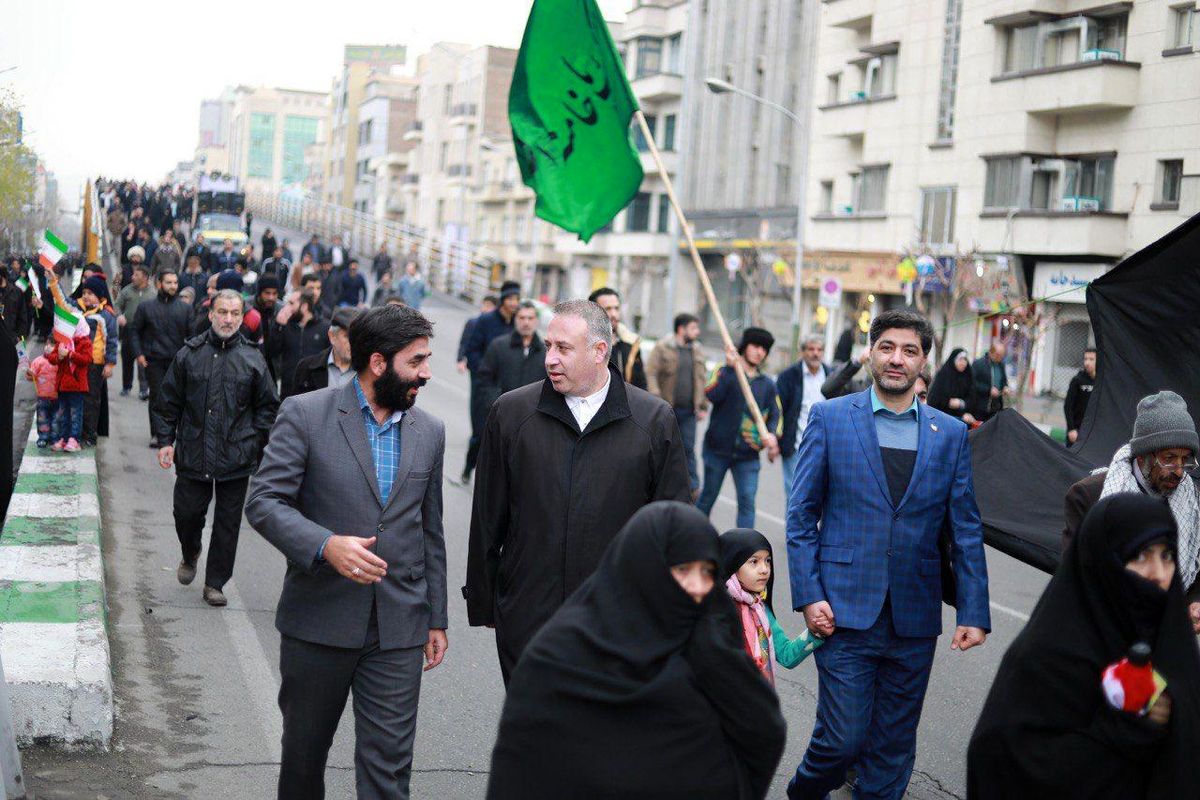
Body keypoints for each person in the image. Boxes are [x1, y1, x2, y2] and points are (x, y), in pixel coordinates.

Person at [785, 309, 991, 800]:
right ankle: (804, 791)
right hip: (842, 610)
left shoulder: (950, 435)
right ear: (871, 352)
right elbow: (800, 518)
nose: (897, 359)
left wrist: (973, 610)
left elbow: (964, 528)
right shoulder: (831, 418)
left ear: (925, 363)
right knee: (842, 738)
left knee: (893, 747)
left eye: (910, 350)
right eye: (887, 347)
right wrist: (809, 595)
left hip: (914, 618)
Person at [245, 304, 447, 800]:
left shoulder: (431, 432)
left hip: (398, 627)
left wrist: (436, 617)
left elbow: (430, 530)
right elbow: (264, 502)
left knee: (389, 770)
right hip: (319, 621)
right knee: (303, 762)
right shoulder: (306, 414)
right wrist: (325, 545)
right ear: (379, 363)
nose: (426, 372)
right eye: (416, 361)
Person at [487, 502, 786, 800]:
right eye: (682, 570)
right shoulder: (556, 658)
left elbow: (763, 731)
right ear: (639, 567)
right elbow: (519, 772)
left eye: (707, 572)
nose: (697, 587)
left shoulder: (711, 646)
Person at [464, 299, 692, 683]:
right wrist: (487, 603)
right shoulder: (511, 414)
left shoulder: (653, 421)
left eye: (563, 348)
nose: (550, 358)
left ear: (600, 351)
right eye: (548, 346)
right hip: (528, 613)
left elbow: (676, 528)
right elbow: (488, 518)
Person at [967, 494, 1200, 799]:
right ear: (1104, 561)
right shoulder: (1049, 657)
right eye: (1141, 555)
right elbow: (1002, 762)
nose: (1158, 573)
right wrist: (1126, 731)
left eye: (1166, 555)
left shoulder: (1171, 643)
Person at [155, 290, 279, 606]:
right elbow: (168, 401)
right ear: (211, 313)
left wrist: (257, 444)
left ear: (242, 317)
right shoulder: (189, 354)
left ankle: (215, 583)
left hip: (236, 456)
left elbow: (267, 407)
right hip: (194, 451)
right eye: (222, 312)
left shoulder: (253, 358)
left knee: (227, 523)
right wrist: (166, 440)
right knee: (186, 513)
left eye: (234, 313)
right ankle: (190, 550)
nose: (227, 319)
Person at [1062, 390, 1200, 632]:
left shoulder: (1192, 501)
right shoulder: (1089, 496)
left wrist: (1194, 602)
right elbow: (1075, 579)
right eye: (1169, 458)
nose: (1179, 471)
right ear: (1144, 455)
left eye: (1185, 459)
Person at [695, 328, 782, 529]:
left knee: (747, 504)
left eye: (764, 349)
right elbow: (711, 394)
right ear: (744, 347)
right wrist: (728, 369)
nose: (760, 352)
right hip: (717, 450)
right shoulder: (724, 371)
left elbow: (776, 414)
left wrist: (772, 435)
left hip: (748, 456)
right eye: (755, 346)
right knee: (707, 497)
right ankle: (692, 542)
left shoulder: (767, 384)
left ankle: (745, 552)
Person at [721, 527, 822, 684]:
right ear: (732, 564)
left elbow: (786, 655)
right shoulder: (715, 611)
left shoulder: (760, 611)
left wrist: (816, 632)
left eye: (767, 561)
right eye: (754, 562)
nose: (764, 569)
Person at [459, 282, 520, 484]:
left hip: (508, 385)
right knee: (481, 430)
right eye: (511, 299)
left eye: (517, 299)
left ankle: (490, 478)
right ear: (503, 299)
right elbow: (471, 349)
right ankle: (469, 466)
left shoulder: (518, 324)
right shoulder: (485, 321)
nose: (514, 303)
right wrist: (482, 370)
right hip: (484, 383)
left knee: (502, 433)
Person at [646, 313, 708, 498]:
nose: (697, 332)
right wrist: (655, 396)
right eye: (693, 328)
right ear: (681, 329)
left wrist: (702, 405)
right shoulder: (662, 347)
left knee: (688, 448)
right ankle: (661, 485)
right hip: (667, 409)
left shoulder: (697, 350)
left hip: (689, 411)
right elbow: (651, 373)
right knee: (664, 447)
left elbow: (701, 379)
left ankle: (692, 488)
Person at [131, 269, 193, 446]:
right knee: (157, 398)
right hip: (154, 360)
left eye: (175, 282)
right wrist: (139, 354)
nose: (173, 286)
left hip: (178, 361)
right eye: (169, 282)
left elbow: (192, 336)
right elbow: (134, 331)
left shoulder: (185, 309)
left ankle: (174, 433)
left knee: (178, 398)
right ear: (159, 284)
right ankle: (157, 434)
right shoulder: (146, 307)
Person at [778, 335, 832, 498]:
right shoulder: (789, 376)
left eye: (819, 350)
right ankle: (792, 525)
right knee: (795, 494)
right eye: (811, 349)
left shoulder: (831, 376)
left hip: (824, 447)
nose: (815, 353)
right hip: (795, 445)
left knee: (819, 495)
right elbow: (778, 409)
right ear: (802, 352)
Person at [477, 301, 546, 410]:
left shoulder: (545, 352)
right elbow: (484, 378)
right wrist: (494, 403)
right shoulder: (499, 346)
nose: (526, 322)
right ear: (515, 319)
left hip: (533, 417)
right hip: (502, 412)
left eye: (530, 318)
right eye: (522, 318)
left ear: (536, 320)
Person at [270, 288, 331, 399]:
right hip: (289, 391)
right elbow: (273, 352)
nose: (287, 307)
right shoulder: (285, 325)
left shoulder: (324, 327)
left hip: (315, 393)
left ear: (304, 306)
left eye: (291, 303)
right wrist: (278, 327)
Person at [46, 319, 92, 452]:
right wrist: (58, 357)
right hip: (63, 385)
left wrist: (70, 354)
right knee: (63, 413)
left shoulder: (85, 342)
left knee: (75, 413)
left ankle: (74, 439)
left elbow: (86, 360)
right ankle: (64, 437)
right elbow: (53, 358)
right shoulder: (63, 341)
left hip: (77, 385)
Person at [588, 286, 647, 390]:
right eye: (608, 309)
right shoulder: (582, 342)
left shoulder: (631, 343)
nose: (614, 314)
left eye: (616, 308)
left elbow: (640, 385)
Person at [291, 307, 359, 396]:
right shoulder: (306, 368)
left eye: (357, 336)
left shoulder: (368, 370)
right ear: (332, 336)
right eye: (347, 337)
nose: (354, 342)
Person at [114, 264, 154, 399]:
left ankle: (144, 389)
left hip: (146, 331)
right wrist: (119, 315)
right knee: (127, 358)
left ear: (145, 278)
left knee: (143, 360)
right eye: (133, 274)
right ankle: (126, 386)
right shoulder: (127, 291)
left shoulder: (152, 293)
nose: (133, 277)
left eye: (136, 275)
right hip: (129, 329)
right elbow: (117, 305)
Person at [927, 347, 979, 426]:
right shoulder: (944, 375)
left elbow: (973, 398)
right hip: (943, 419)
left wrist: (962, 403)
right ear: (953, 360)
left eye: (965, 360)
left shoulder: (968, 376)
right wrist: (947, 402)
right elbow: (934, 399)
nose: (963, 363)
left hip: (963, 421)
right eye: (960, 359)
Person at [26, 342, 59, 448]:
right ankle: (43, 438)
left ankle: (55, 438)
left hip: (57, 397)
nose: (49, 347)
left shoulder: (60, 362)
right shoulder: (38, 361)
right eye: (48, 344)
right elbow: (31, 377)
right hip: (42, 397)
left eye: (53, 345)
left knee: (56, 419)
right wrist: (29, 373)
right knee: (42, 419)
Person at [456, 295, 497, 374]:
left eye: (488, 306)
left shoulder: (498, 325)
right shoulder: (473, 322)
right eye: (483, 305)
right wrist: (460, 359)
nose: (484, 308)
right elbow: (464, 342)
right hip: (476, 365)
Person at [1065, 346, 1097, 444]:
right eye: (1085, 359)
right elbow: (1068, 406)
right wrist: (1071, 429)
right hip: (1077, 431)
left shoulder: (1102, 383)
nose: (1087, 362)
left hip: (1094, 431)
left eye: (1091, 359)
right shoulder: (1077, 380)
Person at [971, 340, 1009, 422]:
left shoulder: (1001, 365)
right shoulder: (978, 364)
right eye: (998, 355)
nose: (1000, 358)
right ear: (991, 352)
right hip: (980, 407)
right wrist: (988, 390)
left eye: (1002, 356)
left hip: (996, 407)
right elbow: (972, 383)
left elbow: (1004, 380)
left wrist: (1005, 387)